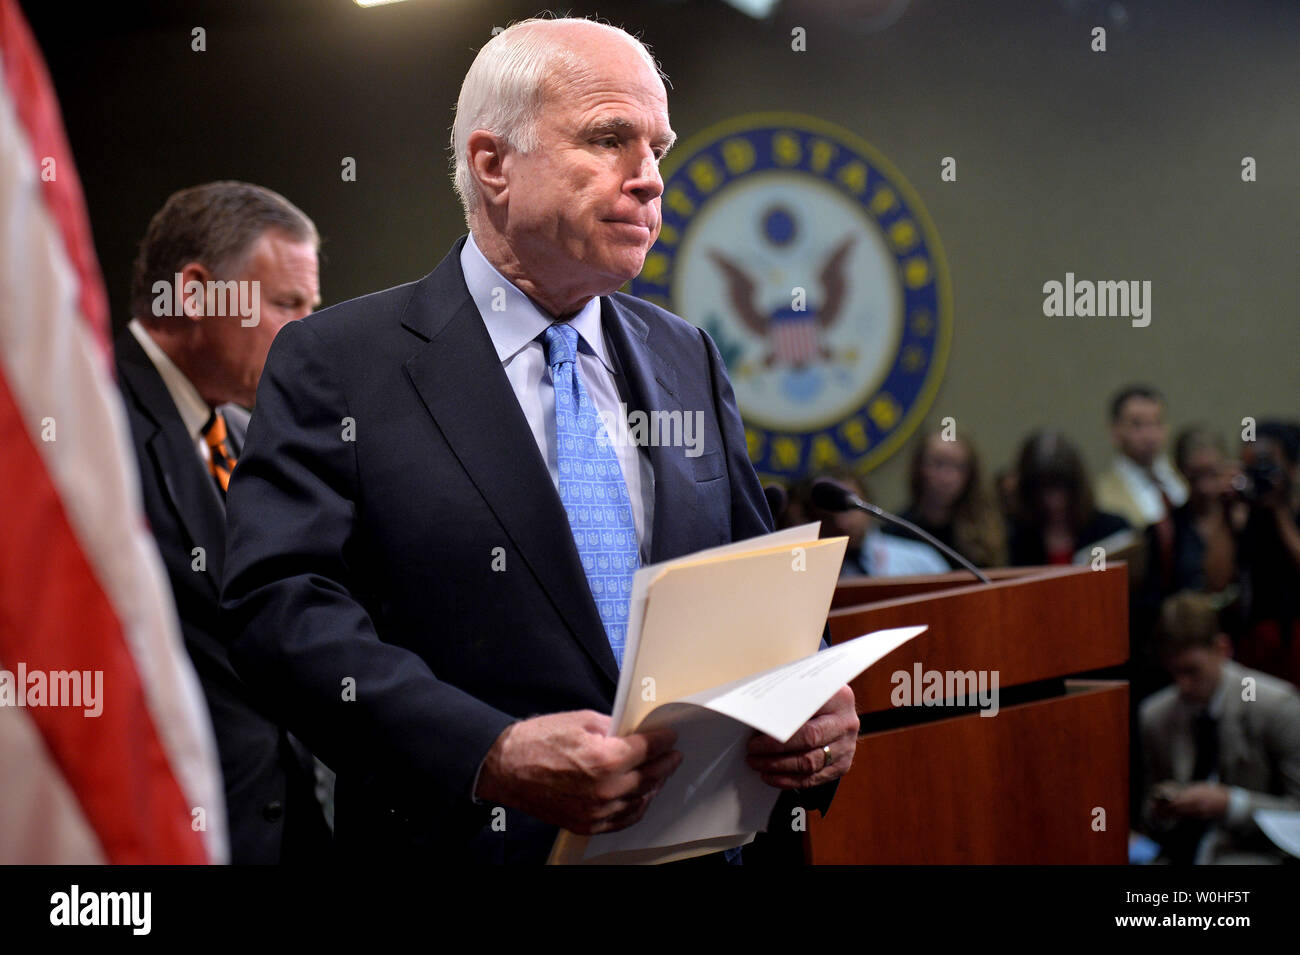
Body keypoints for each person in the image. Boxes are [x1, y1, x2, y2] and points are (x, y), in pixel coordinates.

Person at [220, 17, 856, 865]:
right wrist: (488, 753)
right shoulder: (341, 363)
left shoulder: (687, 356)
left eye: (658, 148)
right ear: (493, 164)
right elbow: (279, 611)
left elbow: (748, 577)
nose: (651, 179)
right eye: (609, 139)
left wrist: (809, 695)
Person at [116, 181, 331, 862]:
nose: (307, 332)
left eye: (312, 307)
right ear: (196, 292)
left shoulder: (246, 432)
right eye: (287, 305)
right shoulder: (84, 429)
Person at [1139, 592, 1300, 864]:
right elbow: (1147, 816)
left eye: (1192, 671)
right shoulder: (1157, 715)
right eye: (1173, 672)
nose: (1182, 685)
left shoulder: (1277, 707)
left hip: (1258, 854)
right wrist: (1162, 807)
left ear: (1222, 649)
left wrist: (1231, 804)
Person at [879, 429, 1007, 569]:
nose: (947, 477)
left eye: (959, 466)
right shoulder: (895, 532)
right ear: (919, 468)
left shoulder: (986, 531)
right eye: (938, 464)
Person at [1234, 420, 1300, 685]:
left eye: (1268, 461)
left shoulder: (1287, 513)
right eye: (1253, 463)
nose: (1260, 471)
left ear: (1293, 467)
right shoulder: (1246, 513)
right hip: (1255, 639)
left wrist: (1280, 510)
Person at [786, 472, 949, 577]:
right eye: (828, 517)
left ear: (867, 503)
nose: (842, 523)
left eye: (848, 510)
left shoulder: (920, 561)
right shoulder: (807, 575)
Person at [1006, 430, 1131, 566]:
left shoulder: (1111, 532)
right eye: (1042, 491)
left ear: (1077, 487)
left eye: (1063, 489)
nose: (1054, 502)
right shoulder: (1012, 540)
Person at [1095, 385, 1188, 533]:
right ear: (1115, 431)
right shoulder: (1101, 497)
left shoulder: (1186, 475)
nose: (1150, 435)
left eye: (1157, 423)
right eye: (1137, 425)